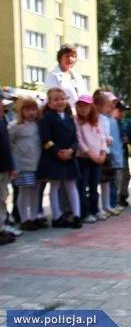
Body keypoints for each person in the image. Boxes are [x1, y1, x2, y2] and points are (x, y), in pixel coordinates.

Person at [37, 88, 82, 228]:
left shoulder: (69, 118)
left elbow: (75, 139)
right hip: (53, 157)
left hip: (69, 157)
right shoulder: (47, 118)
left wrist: (71, 150)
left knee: (71, 186)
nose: (60, 102)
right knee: (55, 186)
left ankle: (76, 215)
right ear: (49, 103)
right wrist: (57, 152)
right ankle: (57, 217)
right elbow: (45, 139)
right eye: (56, 99)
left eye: (62, 98)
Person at [8, 96, 44, 231]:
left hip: (37, 164)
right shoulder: (15, 126)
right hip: (23, 165)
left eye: (34, 109)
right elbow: (9, 143)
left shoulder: (38, 125)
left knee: (35, 191)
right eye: (28, 109)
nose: (31, 112)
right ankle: (24, 219)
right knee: (24, 192)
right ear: (21, 111)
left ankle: (34, 217)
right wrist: (13, 163)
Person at [75, 95, 107, 224]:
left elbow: (102, 138)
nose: (83, 109)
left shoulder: (96, 120)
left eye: (86, 106)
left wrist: (103, 152)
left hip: (98, 158)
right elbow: (79, 140)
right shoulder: (76, 121)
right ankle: (85, 212)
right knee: (82, 186)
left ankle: (95, 210)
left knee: (94, 186)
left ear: (91, 107)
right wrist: (90, 154)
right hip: (83, 158)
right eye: (80, 106)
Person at [93, 90, 118, 220]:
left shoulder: (105, 119)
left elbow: (107, 134)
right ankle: (98, 208)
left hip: (106, 153)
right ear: (97, 105)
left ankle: (107, 205)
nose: (110, 108)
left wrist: (109, 139)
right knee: (97, 182)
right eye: (107, 105)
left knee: (106, 181)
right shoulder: (94, 118)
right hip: (97, 153)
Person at [45, 44, 88, 112]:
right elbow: (53, 97)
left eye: (73, 56)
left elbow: (85, 95)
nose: (70, 59)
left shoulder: (77, 76)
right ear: (60, 58)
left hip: (79, 115)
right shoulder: (52, 75)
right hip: (62, 114)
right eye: (67, 56)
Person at [0, 95, 16, 245]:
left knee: (3, 199)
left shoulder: (3, 120)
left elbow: (7, 148)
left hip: (4, 167)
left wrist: (11, 166)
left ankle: (2, 228)